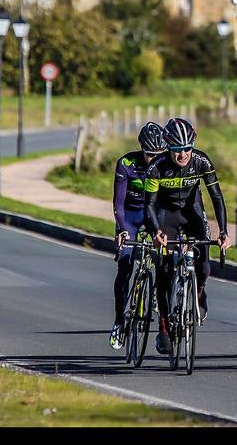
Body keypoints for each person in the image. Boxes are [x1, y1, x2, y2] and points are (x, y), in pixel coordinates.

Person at [144, 117, 231, 356]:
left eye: (187, 149)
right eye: (177, 150)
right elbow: (148, 205)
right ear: (168, 148)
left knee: (203, 261)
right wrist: (156, 232)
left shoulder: (201, 161)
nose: (183, 155)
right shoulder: (157, 167)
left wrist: (223, 232)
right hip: (165, 214)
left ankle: (200, 292)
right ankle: (163, 326)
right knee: (163, 273)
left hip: (192, 212)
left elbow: (217, 197)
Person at [108, 121, 165, 350]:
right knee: (125, 266)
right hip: (130, 217)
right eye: (150, 154)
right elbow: (118, 203)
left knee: (165, 259)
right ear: (142, 149)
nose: (154, 159)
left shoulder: (166, 165)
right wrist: (122, 229)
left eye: (159, 154)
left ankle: (157, 292)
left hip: (155, 216)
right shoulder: (127, 163)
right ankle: (119, 321)